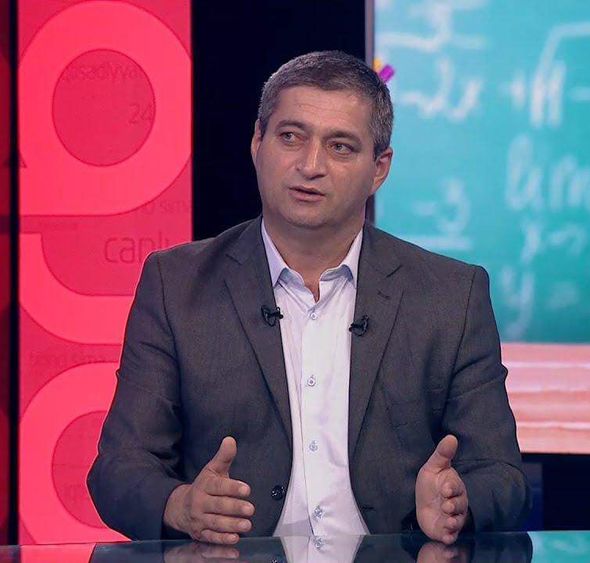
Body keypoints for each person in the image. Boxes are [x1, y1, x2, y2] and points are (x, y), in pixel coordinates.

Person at [88, 51, 530, 546]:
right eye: (291, 137)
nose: (310, 165)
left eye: (340, 147)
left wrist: (458, 502)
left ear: (379, 168)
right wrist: (181, 506)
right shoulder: (177, 285)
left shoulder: (451, 295)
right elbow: (119, 471)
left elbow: (501, 475)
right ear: (257, 142)